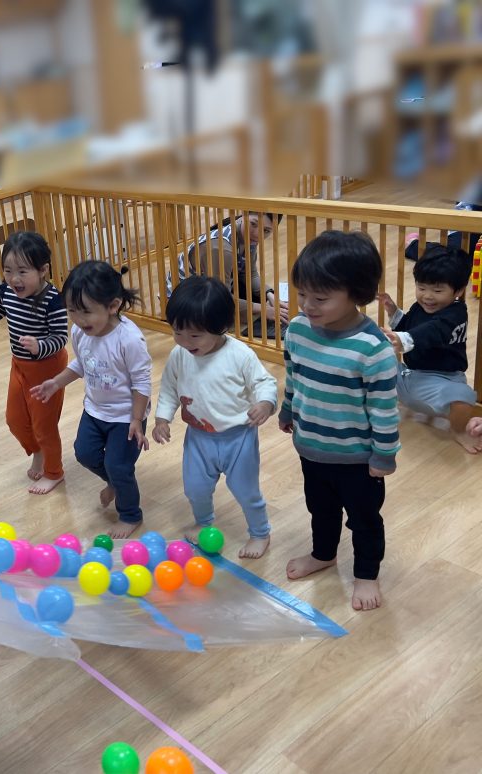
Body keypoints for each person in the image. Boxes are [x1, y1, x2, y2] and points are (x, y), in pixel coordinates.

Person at [280, 230, 400, 612]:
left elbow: (384, 409)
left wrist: (384, 455)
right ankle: (323, 554)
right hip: (312, 448)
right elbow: (294, 375)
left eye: (320, 298)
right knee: (320, 509)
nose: (307, 305)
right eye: (302, 294)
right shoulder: (297, 329)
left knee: (364, 520)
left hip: (357, 460)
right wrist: (287, 409)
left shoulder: (373, 349)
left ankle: (366, 573)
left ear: (356, 293)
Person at [152, 276, 278, 559]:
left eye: (195, 335)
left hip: (238, 438)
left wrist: (265, 403)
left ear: (221, 327)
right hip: (198, 437)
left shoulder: (240, 355)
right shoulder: (180, 354)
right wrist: (162, 419)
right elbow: (170, 388)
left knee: (245, 491)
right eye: (177, 332)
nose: (185, 341)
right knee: (195, 488)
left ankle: (260, 533)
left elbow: (264, 382)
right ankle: (203, 522)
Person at [31, 261, 151, 539]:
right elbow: (83, 364)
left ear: (113, 306)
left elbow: (142, 383)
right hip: (95, 410)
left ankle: (130, 514)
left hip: (126, 416)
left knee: (119, 465)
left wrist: (137, 419)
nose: (78, 319)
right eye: (71, 310)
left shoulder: (129, 340)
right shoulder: (80, 332)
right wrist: (56, 382)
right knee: (84, 453)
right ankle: (116, 483)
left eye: (85, 311)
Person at [0, 231, 69, 494]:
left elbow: (61, 337)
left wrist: (40, 346)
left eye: (22, 272)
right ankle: (37, 450)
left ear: (43, 270)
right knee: (15, 419)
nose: (14, 279)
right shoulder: (8, 291)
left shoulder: (53, 299)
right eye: (8, 271)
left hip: (48, 368)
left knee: (44, 424)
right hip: (19, 365)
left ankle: (54, 472)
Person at [378, 244, 481, 454]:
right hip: (408, 377)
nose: (427, 296)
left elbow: (433, 331)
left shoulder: (456, 314)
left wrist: (404, 339)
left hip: (440, 382)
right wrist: (393, 311)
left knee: (463, 396)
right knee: (374, 362)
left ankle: (458, 430)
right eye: (422, 287)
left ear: (459, 291)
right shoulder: (420, 307)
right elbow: (409, 326)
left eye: (437, 290)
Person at [165, 211, 289, 337]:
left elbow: (250, 273)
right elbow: (220, 297)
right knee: (235, 310)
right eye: (253, 224)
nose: (258, 234)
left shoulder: (247, 236)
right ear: (243, 215)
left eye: (266, 230)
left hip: (208, 288)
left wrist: (270, 294)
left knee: (256, 298)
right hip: (181, 299)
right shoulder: (222, 248)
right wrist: (263, 309)